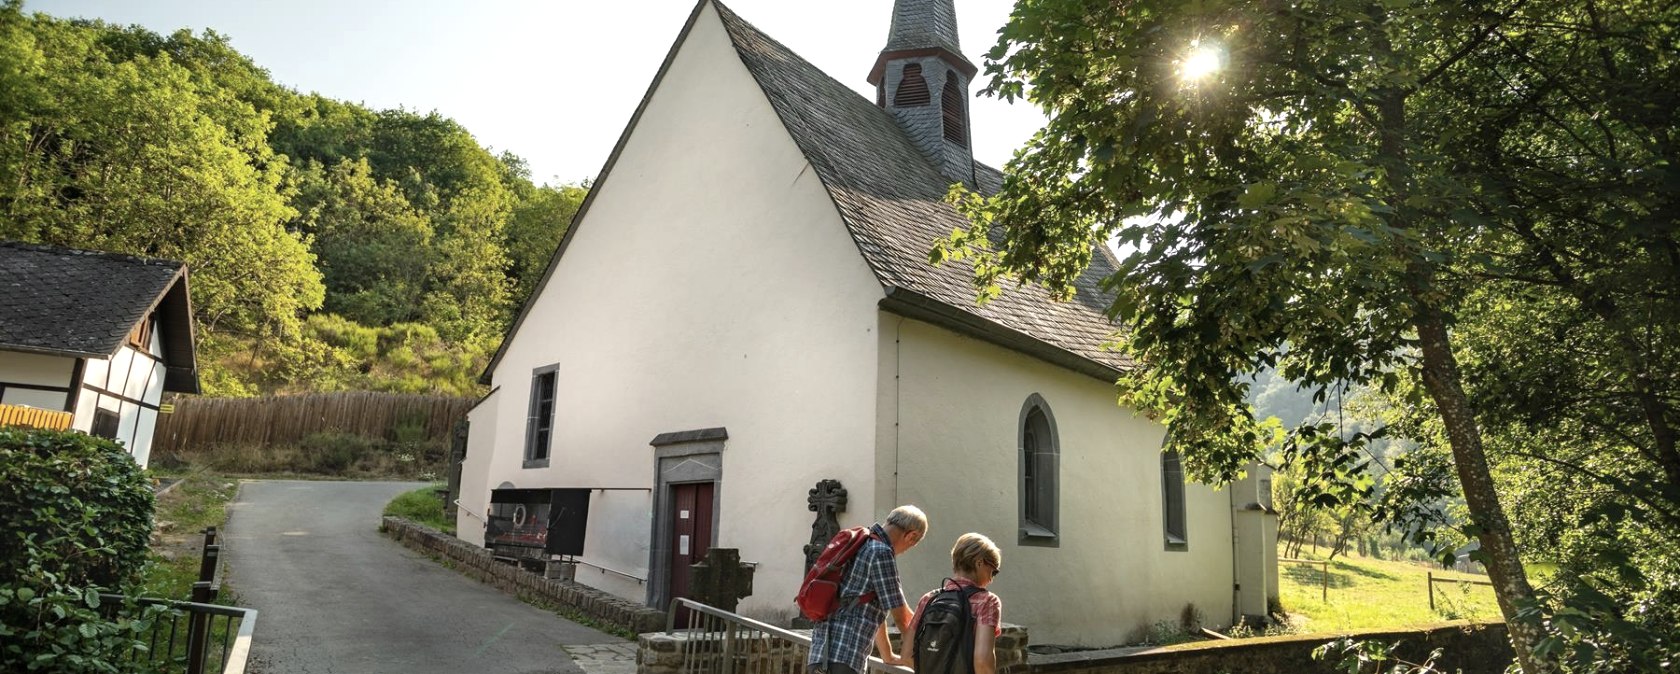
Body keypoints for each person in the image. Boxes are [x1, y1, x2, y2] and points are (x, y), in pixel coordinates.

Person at [808, 505, 928, 674]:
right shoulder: (881, 552)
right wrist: (925, 657)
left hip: (820, 654)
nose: (903, 552)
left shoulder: (860, 543)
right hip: (845, 656)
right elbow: (900, 616)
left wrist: (888, 656)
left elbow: (870, 606)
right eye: (910, 546)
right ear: (911, 536)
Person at [904, 533, 1004, 674]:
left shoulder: (929, 599)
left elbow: (907, 655)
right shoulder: (987, 601)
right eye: (993, 571)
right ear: (979, 562)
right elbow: (982, 662)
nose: (991, 579)